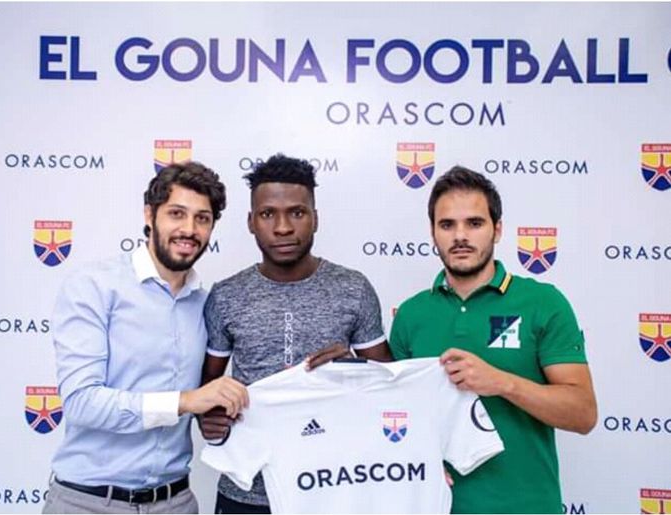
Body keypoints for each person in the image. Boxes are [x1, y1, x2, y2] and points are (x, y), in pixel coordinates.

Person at [42, 162, 249, 514]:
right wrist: (185, 401)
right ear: (149, 215)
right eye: (176, 214)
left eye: (202, 218)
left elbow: (206, 399)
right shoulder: (93, 286)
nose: (189, 229)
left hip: (175, 502)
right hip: (90, 503)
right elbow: (80, 401)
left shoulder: (207, 304)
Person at [389, 166, 597, 514]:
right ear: (432, 232)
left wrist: (502, 382)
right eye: (447, 225)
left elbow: (583, 414)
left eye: (474, 223)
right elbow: (396, 415)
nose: (460, 236)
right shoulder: (411, 314)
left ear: (497, 229)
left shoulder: (543, 303)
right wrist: (414, 457)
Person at [200, 154, 393, 514]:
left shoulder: (353, 288)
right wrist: (208, 418)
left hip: (334, 490)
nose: (283, 227)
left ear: (315, 218)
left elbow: (390, 388)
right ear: (251, 222)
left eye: (297, 213)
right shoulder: (226, 296)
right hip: (248, 493)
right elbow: (206, 387)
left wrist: (353, 368)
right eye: (267, 214)